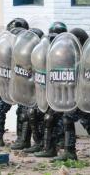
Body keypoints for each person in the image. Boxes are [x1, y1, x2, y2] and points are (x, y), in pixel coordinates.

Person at [53, 28, 90, 161]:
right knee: (89, 121)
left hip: (84, 95)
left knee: (68, 118)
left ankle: (70, 151)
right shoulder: (83, 55)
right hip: (85, 96)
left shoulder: (84, 57)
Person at [0, 18, 29, 147]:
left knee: (24, 113)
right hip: (7, 85)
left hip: (23, 86)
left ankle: (22, 141)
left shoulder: (29, 47)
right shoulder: (5, 46)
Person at [34, 22, 68, 158]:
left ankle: (53, 147)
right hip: (50, 89)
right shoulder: (46, 48)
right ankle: (46, 145)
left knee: (55, 119)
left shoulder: (68, 49)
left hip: (65, 91)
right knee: (47, 118)